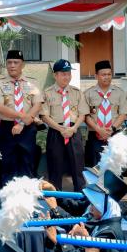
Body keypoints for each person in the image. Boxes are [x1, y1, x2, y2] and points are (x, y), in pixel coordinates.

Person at [0, 50, 43, 183]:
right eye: (9, 62)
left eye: (16, 62)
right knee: (9, 167)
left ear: (23, 65)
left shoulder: (33, 83)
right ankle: (8, 200)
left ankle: (28, 200)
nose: (12, 65)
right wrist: (21, 116)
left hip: (27, 128)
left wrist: (22, 122)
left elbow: (37, 105)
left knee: (28, 165)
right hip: (7, 128)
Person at [41, 59, 88, 191]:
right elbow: (44, 116)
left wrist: (73, 128)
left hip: (73, 131)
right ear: (55, 75)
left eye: (68, 73)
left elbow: (83, 114)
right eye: (63, 73)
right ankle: (56, 202)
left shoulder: (77, 92)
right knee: (55, 168)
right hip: (56, 132)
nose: (66, 76)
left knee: (78, 168)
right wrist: (60, 129)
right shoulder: (48, 93)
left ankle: (81, 199)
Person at [83, 60, 127, 167]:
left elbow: (123, 114)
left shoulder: (120, 93)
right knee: (95, 168)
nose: (107, 77)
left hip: (114, 134)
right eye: (103, 74)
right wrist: (99, 129)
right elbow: (85, 116)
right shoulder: (88, 94)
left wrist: (111, 129)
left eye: (109, 74)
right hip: (94, 135)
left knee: (116, 167)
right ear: (96, 76)